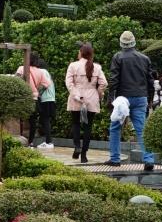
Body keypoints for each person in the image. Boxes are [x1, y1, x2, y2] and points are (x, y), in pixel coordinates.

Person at [107, 30, 157, 170]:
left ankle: (115, 159)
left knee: (115, 128)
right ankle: (149, 160)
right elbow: (150, 81)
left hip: (123, 99)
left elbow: (114, 80)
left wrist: (111, 98)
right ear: (134, 43)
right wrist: (150, 99)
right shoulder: (144, 58)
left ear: (121, 43)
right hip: (141, 97)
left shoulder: (118, 57)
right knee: (142, 130)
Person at [66, 42, 107, 162]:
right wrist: (98, 93)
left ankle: (77, 146)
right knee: (88, 126)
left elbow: (69, 83)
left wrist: (75, 94)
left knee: (76, 124)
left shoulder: (73, 66)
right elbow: (104, 83)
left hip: (76, 98)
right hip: (91, 98)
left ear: (81, 53)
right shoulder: (97, 67)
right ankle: (84, 154)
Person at [16, 52, 55, 149]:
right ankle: (30, 143)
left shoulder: (22, 68)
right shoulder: (40, 71)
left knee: (20, 119)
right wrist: (37, 90)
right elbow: (46, 84)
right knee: (32, 121)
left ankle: (20, 141)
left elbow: (16, 80)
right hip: (34, 99)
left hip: (24, 98)